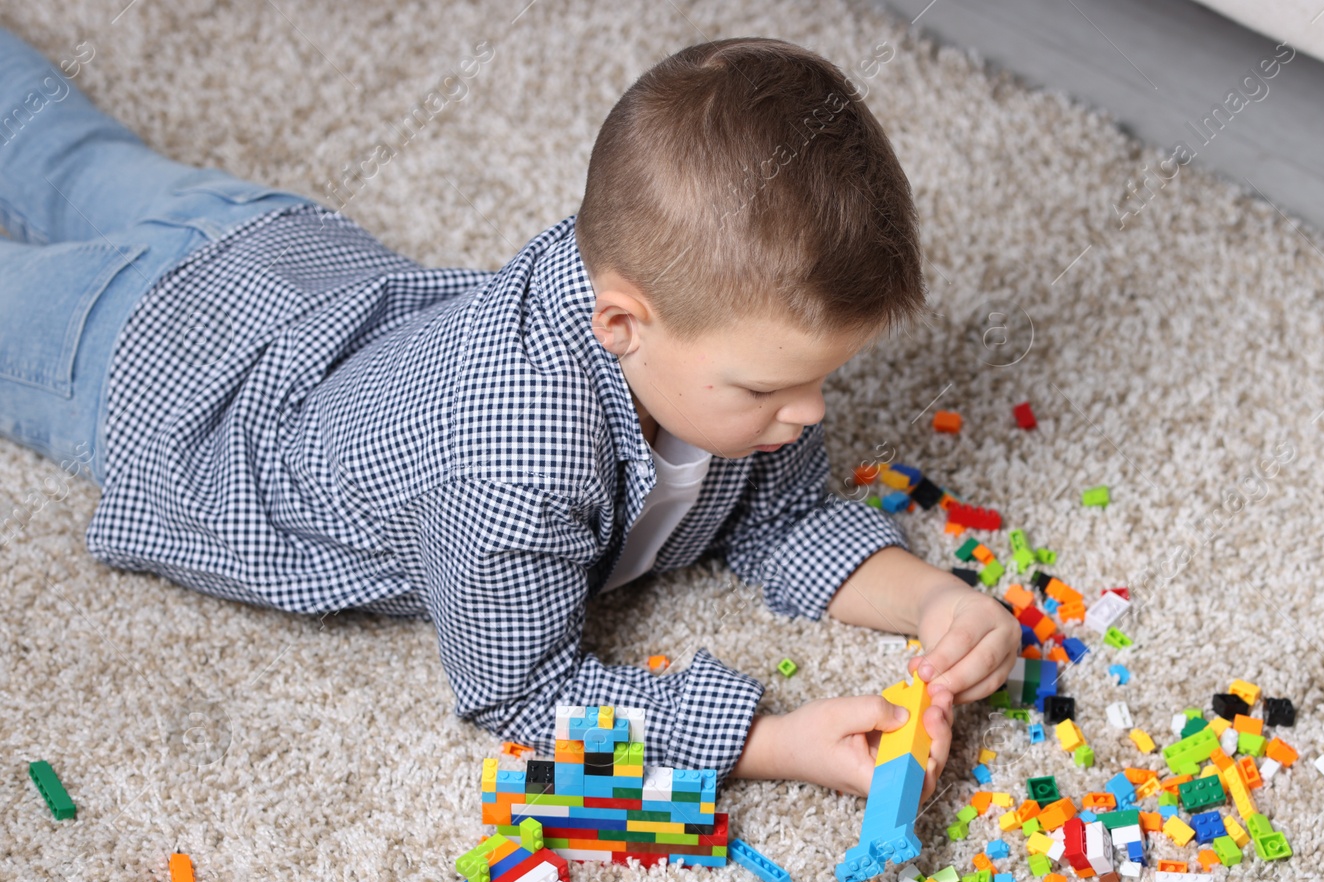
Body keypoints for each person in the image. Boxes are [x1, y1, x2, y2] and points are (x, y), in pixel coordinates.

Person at [0, 29, 1020, 798]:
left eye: (821, 377)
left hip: (274, 249)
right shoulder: (511, 468)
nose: (811, 412)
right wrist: (767, 741)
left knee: (49, 140)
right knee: (37, 146)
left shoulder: (699, 345)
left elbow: (785, 521)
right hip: (152, 367)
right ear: (622, 322)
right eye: (765, 389)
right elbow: (524, 689)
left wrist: (936, 601)